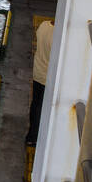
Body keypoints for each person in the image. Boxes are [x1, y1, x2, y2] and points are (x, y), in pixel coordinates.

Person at [27, 18, 55, 146]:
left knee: (35, 104)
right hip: (47, 77)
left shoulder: (43, 25)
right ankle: (33, 137)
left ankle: (30, 134)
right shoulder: (57, 35)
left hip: (37, 72)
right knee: (41, 108)